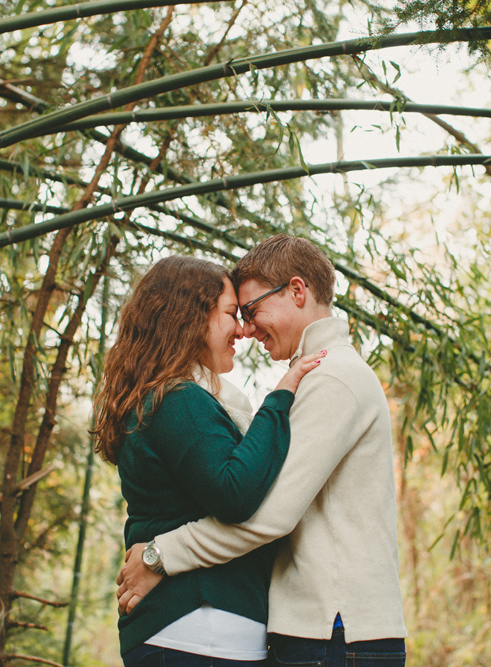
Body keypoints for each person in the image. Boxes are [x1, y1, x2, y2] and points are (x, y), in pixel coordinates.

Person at [116, 235, 407, 666]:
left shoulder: (331, 377)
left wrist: (161, 556)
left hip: (334, 630)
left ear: (296, 290)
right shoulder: (313, 375)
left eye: (250, 311)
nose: (247, 329)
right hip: (319, 628)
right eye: (237, 315)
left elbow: (268, 514)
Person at [92, 255, 324, 666]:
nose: (241, 329)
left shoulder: (172, 399)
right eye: (231, 314)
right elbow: (234, 492)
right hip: (197, 630)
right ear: (191, 317)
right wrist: (280, 398)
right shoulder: (178, 401)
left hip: (201, 632)